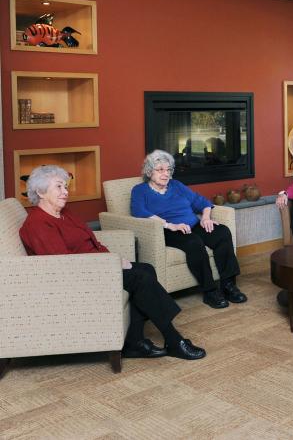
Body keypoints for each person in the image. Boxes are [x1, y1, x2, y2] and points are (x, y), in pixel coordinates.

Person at [19, 165, 205, 360]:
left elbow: (92, 242)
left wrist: (113, 258)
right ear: (40, 191)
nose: (65, 192)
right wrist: (111, 264)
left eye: (66, 187)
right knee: (140, 277)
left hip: (97, 266)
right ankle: (174, 340)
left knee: (146, 269)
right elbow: (64, 264)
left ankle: (135, 343)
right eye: (59, 187)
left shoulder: (65, 212)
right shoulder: (38, 223)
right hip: (77, 278)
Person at [131, 149, 247, 309]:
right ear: (149, 171)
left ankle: (228, 285)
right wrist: (170, 225)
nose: (165, 174)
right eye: (160, 170)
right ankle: (210, 291)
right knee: (194, 242)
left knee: (222, 232)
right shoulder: (140, 190)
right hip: (168, 230)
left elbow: (202, 202)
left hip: (193, 224)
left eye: (168, 170)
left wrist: (206, 218)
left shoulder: (176, 185)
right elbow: (139, 212)